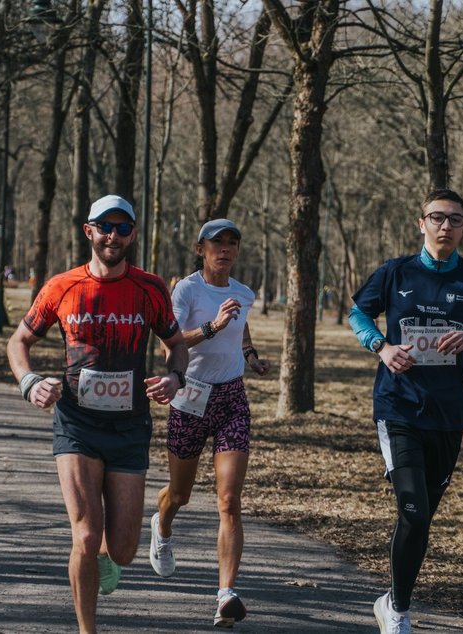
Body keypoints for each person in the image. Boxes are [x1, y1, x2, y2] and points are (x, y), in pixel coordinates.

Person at [6, 194, 189, 634]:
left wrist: (174, 379)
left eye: (122, 228)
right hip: (77, 425)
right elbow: (18, 342)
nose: (113, 236)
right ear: (88, 232)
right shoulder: (62, 287)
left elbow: (177, 344)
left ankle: (109, 555)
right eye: (104, 227)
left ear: (133, 234)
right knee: (85, 536)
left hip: (129, 428)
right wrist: (30, 382)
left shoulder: (150, 288)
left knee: (122, 549)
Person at [348, 189, 463, 634]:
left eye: (455, 220)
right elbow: (357, 315)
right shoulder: (395, 272)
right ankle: (399, 612)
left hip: (448, 414)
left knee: (423, 517)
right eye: (437, 218)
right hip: (398, 407)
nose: (446, 226)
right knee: (414, 511)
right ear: (420, 223)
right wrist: (380, 347)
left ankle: (390, 598)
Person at [148, 218, 270, 628]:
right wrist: (213, 326)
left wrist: (251, 355)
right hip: (190, 396)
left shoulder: (244, 292)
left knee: (229, 501)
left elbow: (242, 322)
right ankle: (162, 525)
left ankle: (225, 595)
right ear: (201, 249)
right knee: (180, 494)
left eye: (232, 242)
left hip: (232, 398)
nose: (226, 249)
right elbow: (172, 339)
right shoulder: (186, 289)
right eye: (217, 243)